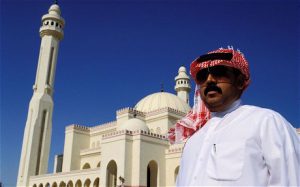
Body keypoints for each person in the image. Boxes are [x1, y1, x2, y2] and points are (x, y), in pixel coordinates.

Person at [168, 47, 300, 186]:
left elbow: (292, 180)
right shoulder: (192, 142)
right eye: (202, 77)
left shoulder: (265, 122)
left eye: (219, 73)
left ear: (240, 82)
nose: (210, 80)